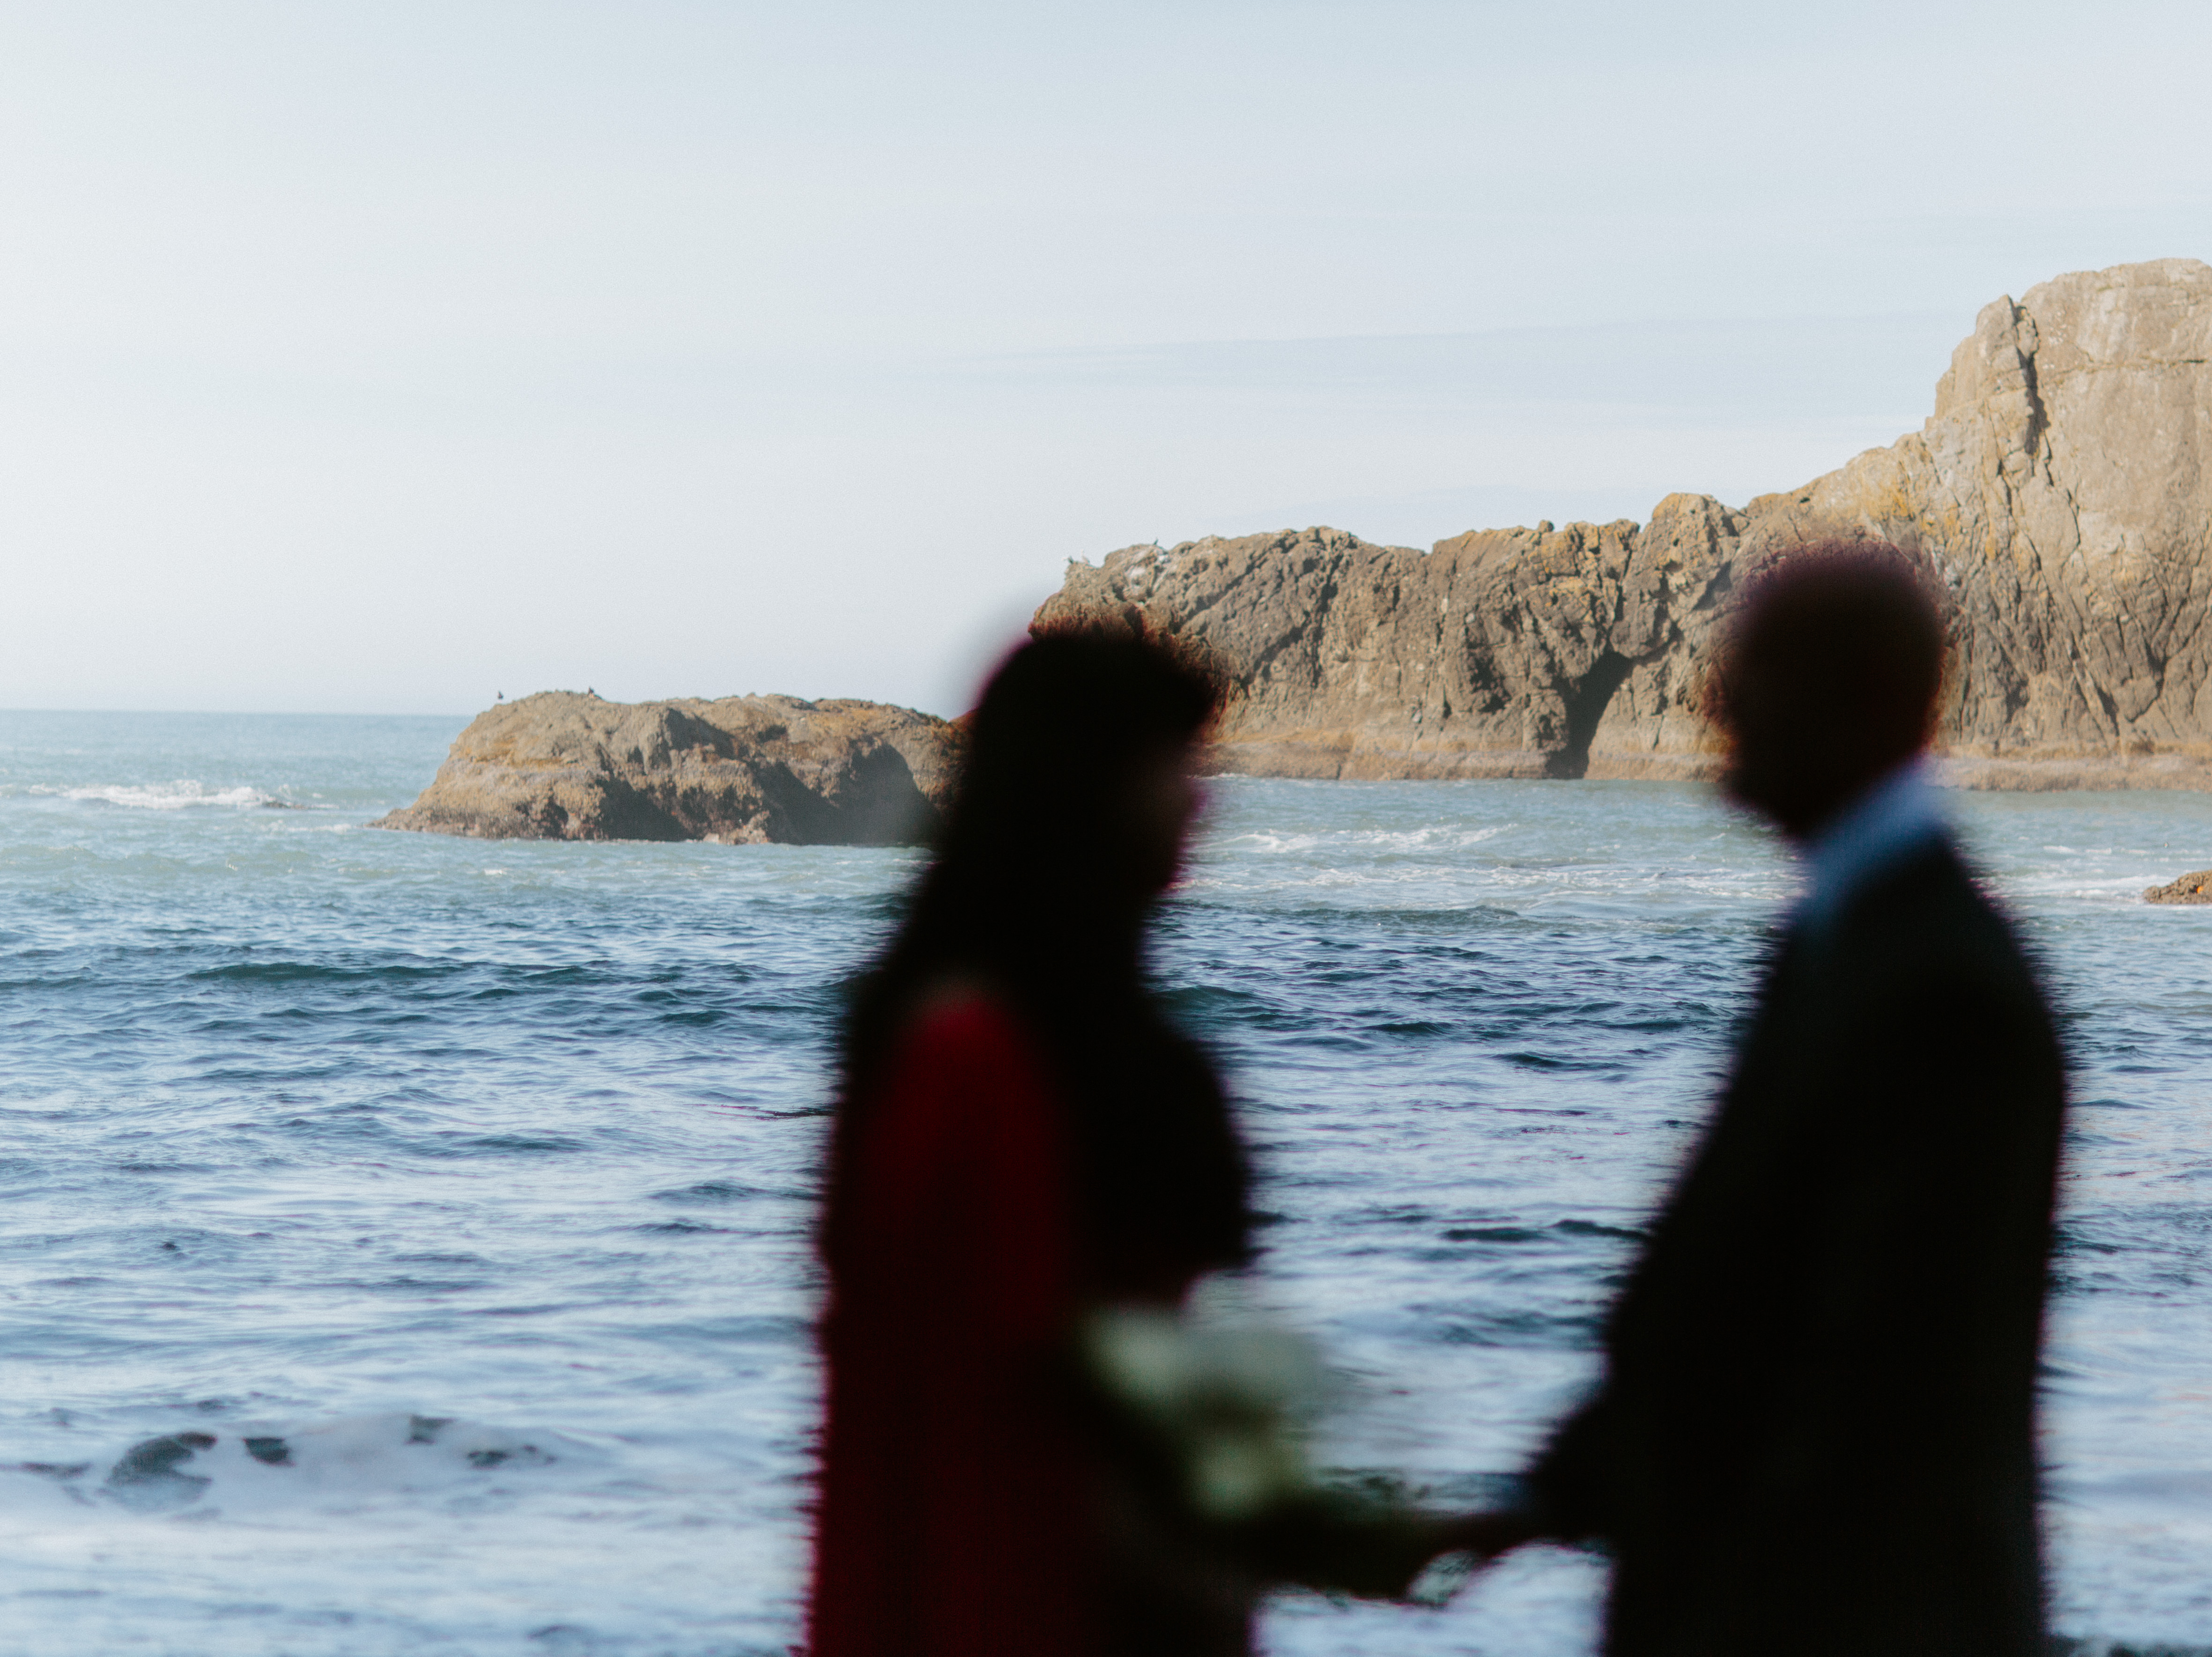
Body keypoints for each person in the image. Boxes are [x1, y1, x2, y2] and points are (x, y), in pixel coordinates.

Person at [806, 626, 1441, 1657]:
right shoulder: (978, 1061)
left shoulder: (999, 1035)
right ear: (1081, 788)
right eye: (1172, 766)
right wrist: (1277, 1548)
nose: (1199, 801)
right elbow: (1016, 1415)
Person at [1505, 542, 2069, 1655]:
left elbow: (1886, 1376)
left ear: (1860, 700)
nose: (1717, 703)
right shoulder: (1851, 937)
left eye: (1753, 671)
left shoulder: (1940, 989)